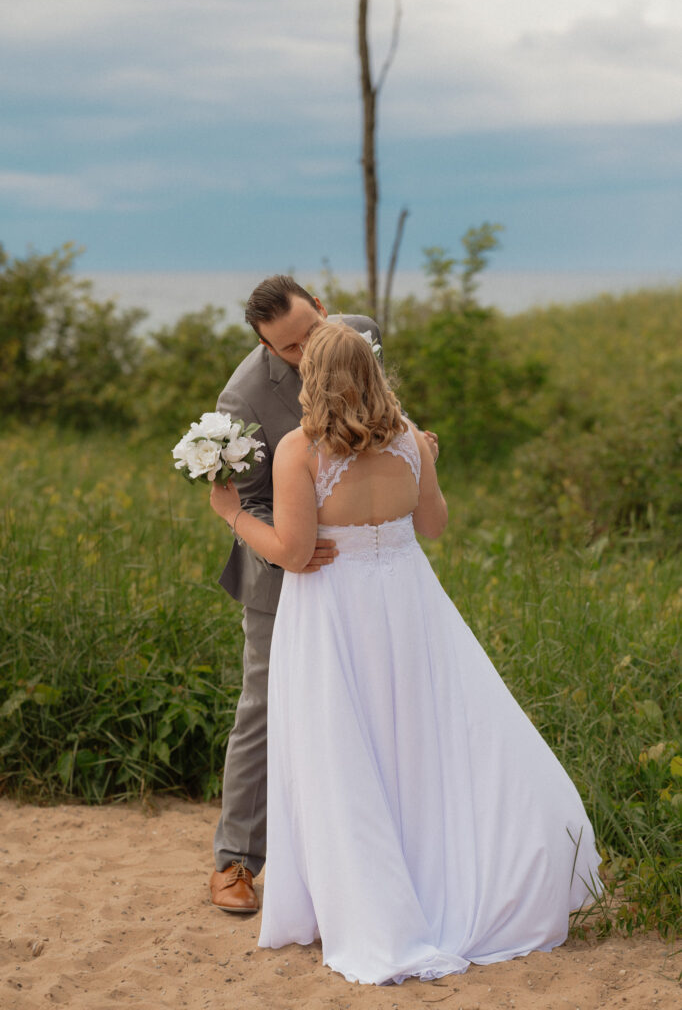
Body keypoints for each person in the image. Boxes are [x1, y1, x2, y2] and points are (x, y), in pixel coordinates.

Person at [209, 322, 602, 985]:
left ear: (316, 378)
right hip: (408, 604)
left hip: (334, 611)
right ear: (371, 372)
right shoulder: (412, 439)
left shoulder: (300, 451)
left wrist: (233, 515)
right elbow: (433, 524)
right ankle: (439, 875)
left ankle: (367, 900)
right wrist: (427, 463)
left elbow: (296, 556)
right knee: (423, 743)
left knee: (346, 750)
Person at [209, 275, 382, 913]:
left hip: (366, 564)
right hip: (283, 572)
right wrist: (296, 545)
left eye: (312, 332)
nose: (307, 352)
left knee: (371, 695)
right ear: (263, 347)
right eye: (287, 348)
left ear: (324, 308)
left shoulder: (363, 335)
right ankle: (235, 861)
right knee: (263, 705)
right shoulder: (244, 398)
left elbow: (380, 423)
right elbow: (247, 499)